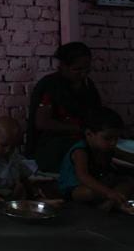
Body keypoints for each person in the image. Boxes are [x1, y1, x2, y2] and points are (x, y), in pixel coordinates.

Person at [58, 107, 134, 210]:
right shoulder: (80, 151)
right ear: (89, 134)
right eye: (108, 138)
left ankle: (111, 202)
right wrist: (108, 192)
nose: (113, 142)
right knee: (89, 193)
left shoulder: (108, 148)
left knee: (127, 182)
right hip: (76, 188)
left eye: (116, 138)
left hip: (100, 183)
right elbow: (83, 176)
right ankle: (113, 200)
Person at [28, 42, 102, 172]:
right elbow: (42, 123)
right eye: (77, 69)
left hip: (84, 139)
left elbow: (97, 114)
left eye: (87, 69)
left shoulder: (88, 86)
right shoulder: (50, 85)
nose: (83, 74)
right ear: (62, 66)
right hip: (52, 144)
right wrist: (79, 129)